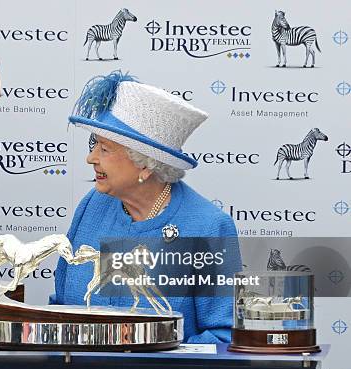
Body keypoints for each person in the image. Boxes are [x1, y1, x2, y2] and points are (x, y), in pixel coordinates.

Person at [52, 71, 239, 343]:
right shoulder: (92, 206)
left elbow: (223, 336)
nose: (90, 158)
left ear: (144, 163)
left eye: (104, 149)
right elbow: (60, 307)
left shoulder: (208, 227)